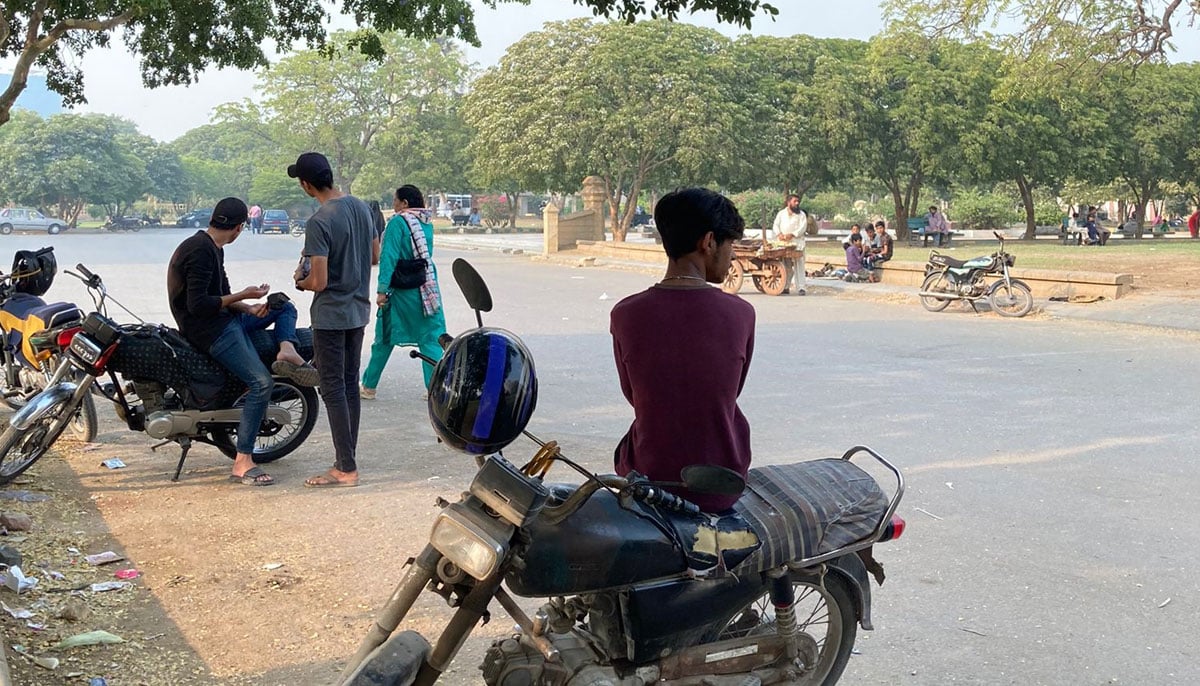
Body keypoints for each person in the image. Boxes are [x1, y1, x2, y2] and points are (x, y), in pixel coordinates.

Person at [610, 187, 754, 513]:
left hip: (650, 479)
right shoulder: (741, 314)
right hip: (722, 482)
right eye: (730, 244)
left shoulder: (625, 314)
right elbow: (725, 394)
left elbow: (635, 395)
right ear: (708, 242)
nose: (732, 257)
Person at [166, 197, 317, 487]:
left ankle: (287, 349)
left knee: (282, 305)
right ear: (238, 228)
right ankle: (243, 461)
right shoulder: (199, 251)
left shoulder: (211, 247)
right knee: (262, 383)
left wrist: (249, 308)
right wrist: (242, 297)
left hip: (226, 319)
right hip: (209, 331)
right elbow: (199, 305)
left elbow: (220, 294)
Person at [289, 152, 380, 488]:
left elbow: (319, 282)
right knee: (349, 386)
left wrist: (300, 280)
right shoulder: (360, 207)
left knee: (332, 388)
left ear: (306, 184)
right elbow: (375, 256)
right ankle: (347, 458)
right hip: (358, 310)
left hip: (330, 315)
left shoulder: (319, 221)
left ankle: (345, 468)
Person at [361, 185, 447, 399]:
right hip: (427, 288)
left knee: (384, 338)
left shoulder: (398, 223)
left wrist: (382, 290)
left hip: (401, 291)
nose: (393, 205)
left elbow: (388, 258)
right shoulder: (426, 223)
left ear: (405, 203)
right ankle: (435, 389)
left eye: (395, 200)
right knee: (431, 338)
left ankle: (369, 386)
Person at [770, 194, 807, 295]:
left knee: (799, 264)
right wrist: (779, 234)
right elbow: (775, 225)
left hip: (797, 243)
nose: (797, 203)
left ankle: (801, 288)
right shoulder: (781, 214)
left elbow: (803, 228)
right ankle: (785, 286)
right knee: (786, 265)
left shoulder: (801, 214)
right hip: (784, 243)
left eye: (798, 201)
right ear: (788, 202)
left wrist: (792, 234)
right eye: (795, 201)